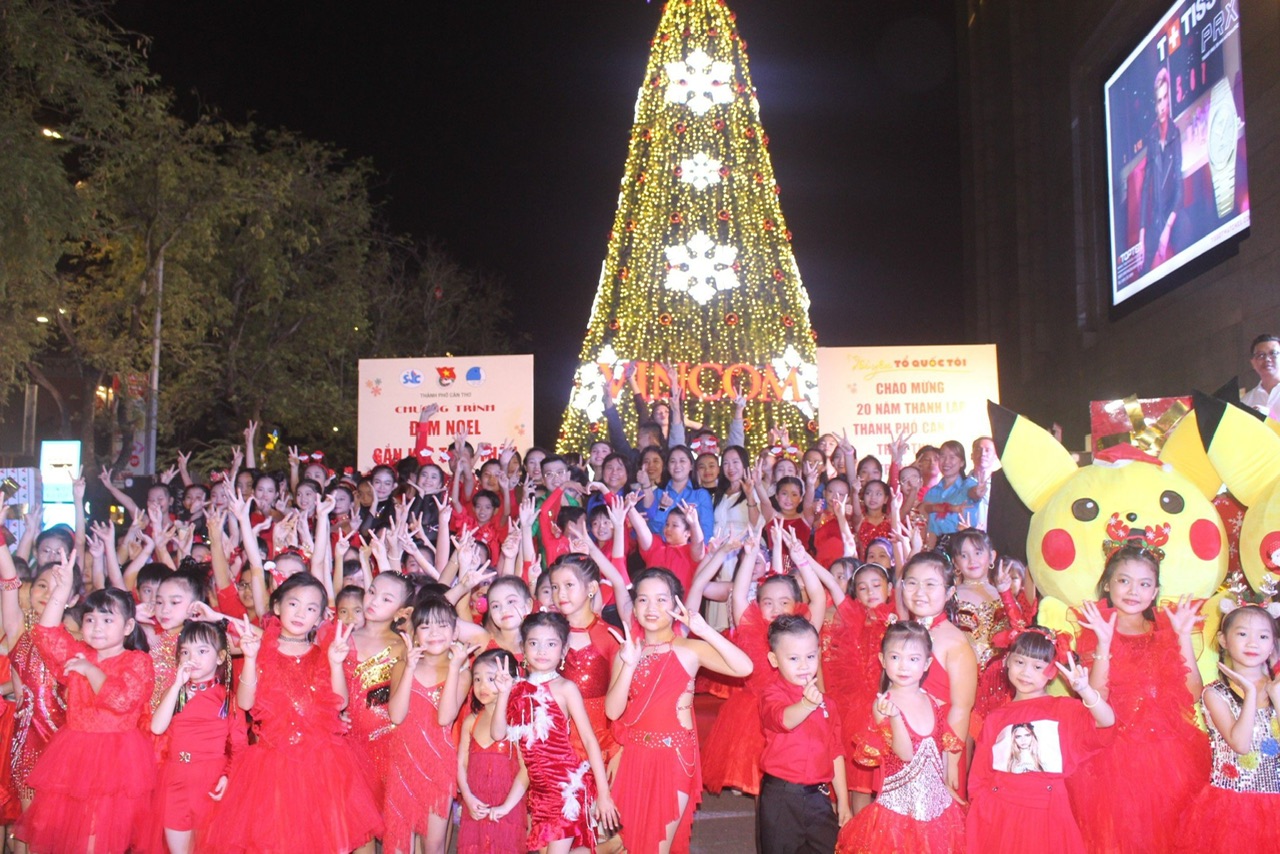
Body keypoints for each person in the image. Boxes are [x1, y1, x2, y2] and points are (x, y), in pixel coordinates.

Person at [201, 575, 381, 852]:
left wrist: (335, 664)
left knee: (325, 840)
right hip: (273, 762)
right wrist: (250, 658)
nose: (300, 613)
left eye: (311, 608)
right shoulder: (262, 649)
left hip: (321, 762)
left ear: (320, 617)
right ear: (277, 606)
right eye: (294, 604)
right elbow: (246, 703)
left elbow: (339, 703)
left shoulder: (322, 653)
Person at [1068, 545, 1210, 853]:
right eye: (1124, 581)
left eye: (1144, 584)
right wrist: (1105, 642)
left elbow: (1192, 694)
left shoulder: (1164, 629)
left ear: (1155, 591)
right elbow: (1097, 700)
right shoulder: (1095, 627)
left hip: (1170, 755)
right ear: (1108, 584)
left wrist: (1182, 636)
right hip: (1112, 758)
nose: (1134, 591)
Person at [607, 569, 754, 854]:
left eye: (661, 600)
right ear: (634, 608)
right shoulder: (625, 652)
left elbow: (744, 667)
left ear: (676, 605)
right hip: (634, 757)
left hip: (674, 758)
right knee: (632, 843)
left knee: (655, 846)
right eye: (643, 600)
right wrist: (628, 664)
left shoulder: (689, 648)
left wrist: (705, 630)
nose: (651, 608)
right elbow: (613, 712)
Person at [15, 555, 154, 854]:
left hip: (116, 760)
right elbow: (46, 634)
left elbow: (121, 699)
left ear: (129, 626)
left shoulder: (138, 662)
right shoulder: (79, 653)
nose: (97, 627)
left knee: (98, 834)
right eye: (90, 619)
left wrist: (91, 671)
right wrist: (62, 589)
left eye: (107, 620)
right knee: (68, 834)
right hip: (73, 755)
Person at [966, 630, 1115, 853]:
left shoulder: (1063, 709)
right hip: (999, 816)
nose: (1026, 672)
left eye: (1037, 667)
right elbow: (979, 776)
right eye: (1020, 662)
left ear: (1052, 671)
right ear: (1007, 661)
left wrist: (1085, 690)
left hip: (1047, 815)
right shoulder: (995, 717)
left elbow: (1106, 721)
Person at [702, 529, 825, 797]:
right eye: (768, 602)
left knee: (794, 768)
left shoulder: (804, 630)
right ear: (757, 606)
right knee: (760, 774)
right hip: (755, 710)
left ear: (796, 604)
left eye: (784, 602)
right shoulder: (750, 628)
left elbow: (819, 598)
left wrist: (802, 560)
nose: (776, 608)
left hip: (795, 706)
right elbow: (738, 596)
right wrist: (749, 555)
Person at [492, 612, 618, 854]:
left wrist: (603, 794)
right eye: (534, 643)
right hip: (539, 793)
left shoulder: (565, 688)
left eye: (551, 644)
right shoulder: (516, 689)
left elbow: (589, 740)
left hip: (567, 789)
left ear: (563, 650)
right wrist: (503, 694)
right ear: (523, 647)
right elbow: (498, 734)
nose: (542, 650)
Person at [836, 621, 966, 853]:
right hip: (898, 816)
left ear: (926, 664)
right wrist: (895, 717)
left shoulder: (931, 701)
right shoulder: (883, 705)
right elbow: (905, 754)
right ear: (883, 660)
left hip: (938, 811)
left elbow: (940, 747)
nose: (904, 666)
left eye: (913, 659)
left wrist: (946, 783)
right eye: (895, 657)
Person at [1174, 603, 1280, 853]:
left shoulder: (1276, 688)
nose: (1253, 643)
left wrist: (1276, 696)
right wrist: (1250, 694)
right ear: (1223, 640)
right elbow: (1241, 744)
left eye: (1263, 636)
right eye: (1242, 634)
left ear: (1273, 644)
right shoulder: (1215, 693)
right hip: (1233, 807)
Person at [383, 597, 474, 854]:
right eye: (425, 626)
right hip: (403, 762)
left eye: (442, 625)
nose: (434, 633)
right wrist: (409, 668)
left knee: (433, 844)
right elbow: (396, 716)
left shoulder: (462, 673)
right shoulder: (402, 667)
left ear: (455, 632)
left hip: (438, 765)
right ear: (414, 633)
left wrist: (454, 668)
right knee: (399, 839)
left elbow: (445, 718)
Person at [148, 621, 246, 854]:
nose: (193, 658)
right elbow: (157, 728)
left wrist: (228, 776)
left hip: (210, 779)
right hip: (175, 777)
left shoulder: (227, 699)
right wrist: (176, 686)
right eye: (185, 652)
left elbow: (240, 745)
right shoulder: (174, 693)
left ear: (220, 657)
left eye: (202, 651)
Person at [756, 615, 851, 853]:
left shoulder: (828, 703)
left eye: (810, 656)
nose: (803, 665)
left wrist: (843, 800)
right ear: (774, 660)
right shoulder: (772, 694)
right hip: (782, 795)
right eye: (793, 658)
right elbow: (783, 719)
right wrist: (807, 705)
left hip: (819, 796)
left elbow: (835, 752)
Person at [457, 650, 528, 854]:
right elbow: (461, 764)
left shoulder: (518, 721)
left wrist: (506, 807)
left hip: (508, 808)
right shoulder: (471, 721)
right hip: (476, 808)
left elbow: (526, 770)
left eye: (491, 679)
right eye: (477, 679)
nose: (482, 686)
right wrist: (468, 797)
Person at [1140, 67, 1188, 273]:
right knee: (1143, 270)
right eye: (1158, 100)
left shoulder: (1175, 134)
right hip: (1156, 219)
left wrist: (1168, 228)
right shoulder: (1151, 137)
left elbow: (1180, 188)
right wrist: (1141, 238)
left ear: (1169, 100)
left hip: (1172, 216)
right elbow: (1145, 189)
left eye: (1165, 98)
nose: (1162, 106)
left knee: (1187, 237)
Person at [1242, 334, 1280, 418]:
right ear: (1253, 363)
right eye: (1261, 355)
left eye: (1273, 353)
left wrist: (1269, 415)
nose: (1267, 359)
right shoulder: (1246, 402)